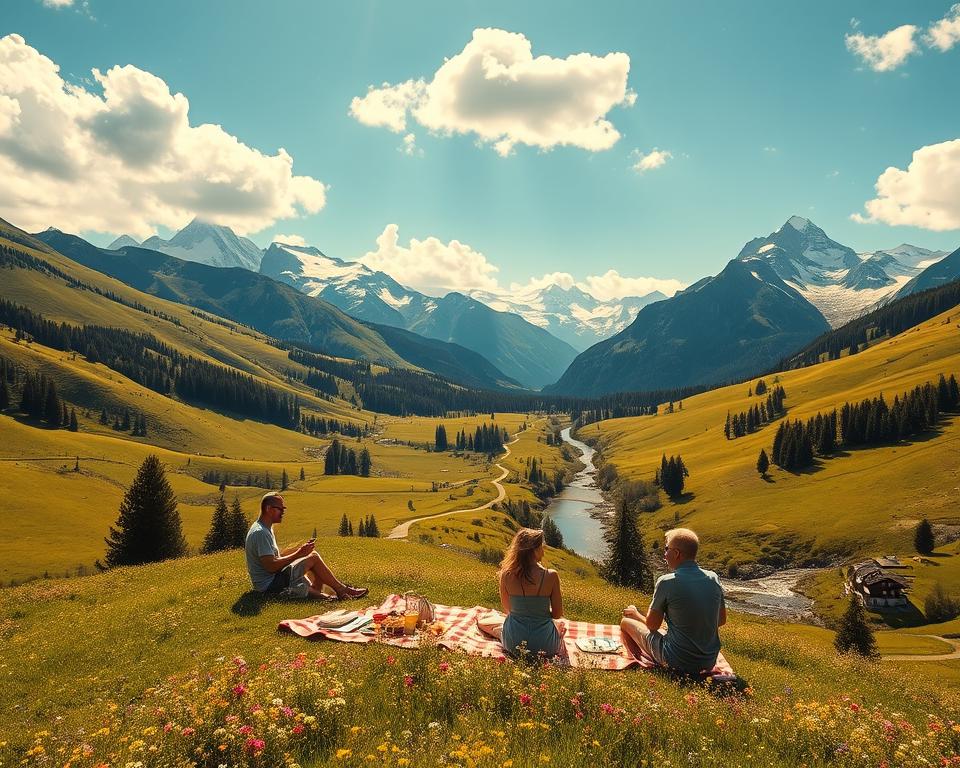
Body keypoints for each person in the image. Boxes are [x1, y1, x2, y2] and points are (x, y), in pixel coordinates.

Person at [619, 527, 725, 674]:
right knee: (666, 632)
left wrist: (636, 614)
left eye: (666, 549)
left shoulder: (666, 582)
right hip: (708, 661)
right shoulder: (713, 578)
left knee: (625, 622)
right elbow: (720, 620)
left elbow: (652, 626)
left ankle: (632, 659)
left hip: (675, 660)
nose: (664, 554)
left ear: (676, 554)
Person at [245, 492, 367, 600]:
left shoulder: (264, 527)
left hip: (272, 580)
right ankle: (341, 590)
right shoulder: (260, 533)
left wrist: (300, 551)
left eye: (284, 509)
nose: (283, 512)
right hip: (269, 585)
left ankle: (328, 594)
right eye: (280, 509)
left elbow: (274, 558)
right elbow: (270, 566)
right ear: (268, 508)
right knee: (313, 557)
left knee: (310, 557)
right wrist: (298, 554)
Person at [478, 527, 566, 658]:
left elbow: (508, 609)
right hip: (545, 646)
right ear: (534, 550)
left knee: (488, 623)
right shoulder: (551, 575)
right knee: (560, 625)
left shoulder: (506, 575)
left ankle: (498, 631)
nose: (543, 551)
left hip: (513, 643)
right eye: (541, 547)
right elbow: (558, 614)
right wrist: (539, 614)